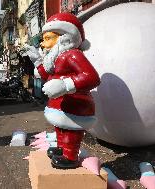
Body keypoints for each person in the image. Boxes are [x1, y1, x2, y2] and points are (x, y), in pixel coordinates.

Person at [23, 13, 101, 169]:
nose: (44, 45)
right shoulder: (57, 57)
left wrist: (66, 85)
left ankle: (70, 156)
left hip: (75, 104)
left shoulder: (73, 54)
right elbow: (47, 75)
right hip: (61, 105)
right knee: (60, 128)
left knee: (70, 130)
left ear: (65, 37)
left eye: (48, 39)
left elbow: (92, 77)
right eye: (43, 40)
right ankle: (62, 148)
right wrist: (37, 60)